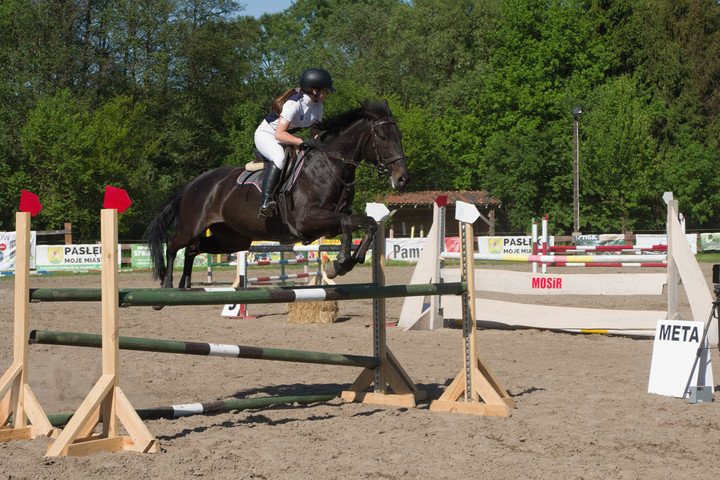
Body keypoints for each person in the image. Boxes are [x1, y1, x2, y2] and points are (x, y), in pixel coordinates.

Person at [254, 67, 336, 219]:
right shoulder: (294, 103)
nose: (327, 94)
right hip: (266, 135)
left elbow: (314, 133)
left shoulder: (318, 107)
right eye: (325, 90)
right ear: (315, 91)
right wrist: (303, 141)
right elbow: (279, 134)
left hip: (284, 136)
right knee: (279, 157)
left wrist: (321, 141)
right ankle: (265, 201)